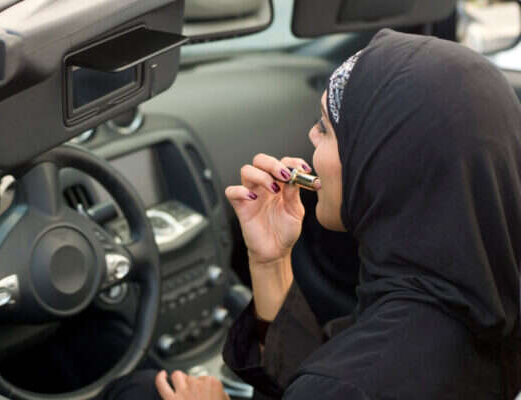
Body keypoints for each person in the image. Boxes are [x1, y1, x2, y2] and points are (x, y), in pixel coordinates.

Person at [150, 28, 521, 400]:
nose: (311, 134)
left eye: (326, 128)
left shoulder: (350, 385)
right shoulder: (486, 298)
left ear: (380, 168)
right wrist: (270, 262)